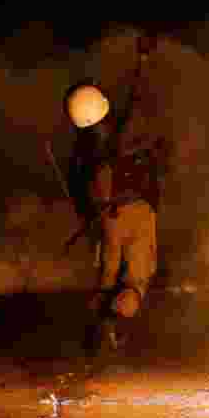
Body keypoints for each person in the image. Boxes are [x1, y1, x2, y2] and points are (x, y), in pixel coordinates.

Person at [64, 34, 168, 362]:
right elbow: (138, 94)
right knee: (136, 279)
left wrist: (91, 219)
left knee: (107, 278)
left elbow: (82, 193)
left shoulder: (83, 150)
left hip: (108, 221)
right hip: (137, 210)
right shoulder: (124, 132)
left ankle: (98, 329)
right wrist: (143, 59)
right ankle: (116, 329)